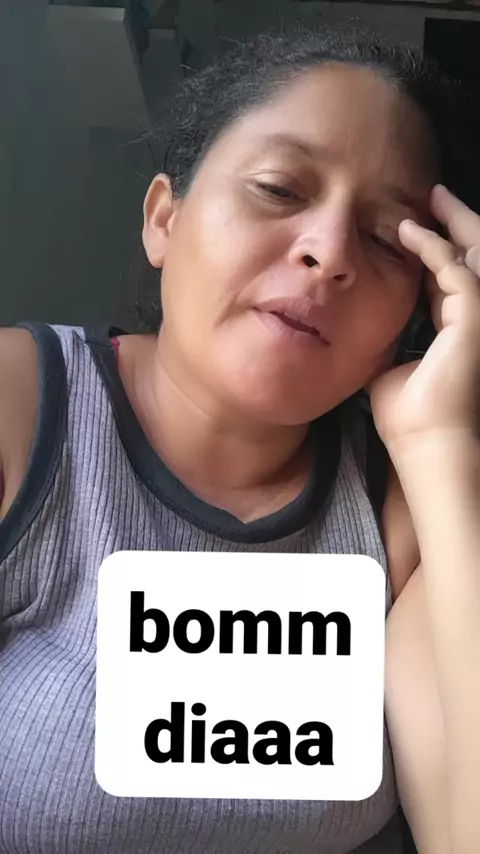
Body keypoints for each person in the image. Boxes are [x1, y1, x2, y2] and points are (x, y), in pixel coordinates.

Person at [1, 23, 480, 854]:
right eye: (278, 188)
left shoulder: (400, 503)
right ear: (164, 219)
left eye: (383, 238)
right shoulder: (22, 406)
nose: (329, 252)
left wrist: (443, 443)